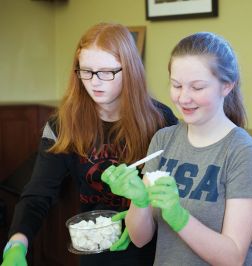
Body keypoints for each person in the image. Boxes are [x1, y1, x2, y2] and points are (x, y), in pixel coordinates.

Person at [1, 22, 178, 266]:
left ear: (130, 70)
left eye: (106, 72)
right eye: (86, 71)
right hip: (95, 245)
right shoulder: (61, 125)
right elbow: (38, 193)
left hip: (155, 249)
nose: (95, 82)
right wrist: (16, 245)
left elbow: (177, 192)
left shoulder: (161, 120)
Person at [101, 32, 252, 265]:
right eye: (176, 85)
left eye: (197, 87)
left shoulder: (244, 152)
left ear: (227, 86)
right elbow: (140, 239)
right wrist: (139, 202)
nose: (183, 98)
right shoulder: (163, 141)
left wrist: (179, 216)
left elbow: (233, 257)